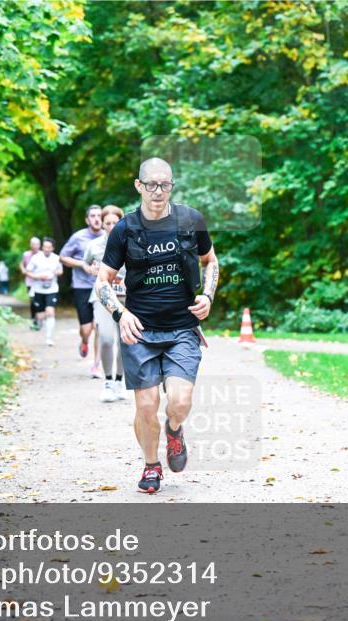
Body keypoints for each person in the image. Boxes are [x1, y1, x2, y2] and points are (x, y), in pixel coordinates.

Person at [95, 158, 219, 493]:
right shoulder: (125, 229)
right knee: (147, 405)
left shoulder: (190, 220)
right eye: (151, 184)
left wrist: (207, 295)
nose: (158, 191)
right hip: (140, 332)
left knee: (178, 402)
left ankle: (175, 430)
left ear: (172, 186)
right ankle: (151, 466)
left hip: (182, 329)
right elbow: (103, 281)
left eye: (165, 184)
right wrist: (121, 314)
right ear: (139, 186)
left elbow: (211, 260)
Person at [84, 205, 128, 402]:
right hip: (102, 298)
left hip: (126, 299)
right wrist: (91, 270)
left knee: (124, 341)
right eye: (107, 223)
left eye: (115, 222)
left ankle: (119, 382)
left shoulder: (131, 244)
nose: (111, 226)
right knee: (107, 339)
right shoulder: (94, 246)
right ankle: (108, 382)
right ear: (102, 224)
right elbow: (85, 263)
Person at [60, 206, 104, 376]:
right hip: (82, 286)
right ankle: (84, 340)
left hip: (101, 286)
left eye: (99, 216)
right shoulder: (78, 237)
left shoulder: (108, 237)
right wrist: (82, 264)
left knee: (100, 327)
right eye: (93, 216)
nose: (96, 219)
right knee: (87, 329)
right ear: (87, 220)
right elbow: (63, 257)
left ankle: (96, 365)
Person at [25, 237, 63, 346]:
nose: (46, 249)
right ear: (42, 247)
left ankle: (49, 338)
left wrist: (55, 273)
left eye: (49, 247)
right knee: (40, 316)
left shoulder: (56, 258)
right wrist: (38, 276)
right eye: (45, 247)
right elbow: (28, 272)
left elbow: (60, 271)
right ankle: (39, 321)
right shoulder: (36, 258)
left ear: (53, 248)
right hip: (38, 289)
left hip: (52, 289)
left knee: (50, 312)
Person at [21, 237, 41, 330]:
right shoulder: (26, 254)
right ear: (30, 245)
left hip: (40, 281)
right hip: (30, 281)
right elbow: (22, 264)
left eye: (37, 244)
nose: (35, 246)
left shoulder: (42, 255)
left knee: (40, 301)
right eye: (33, 244)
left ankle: (39, 318)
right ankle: (34, 319)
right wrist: (24, 270)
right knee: (33, 301)